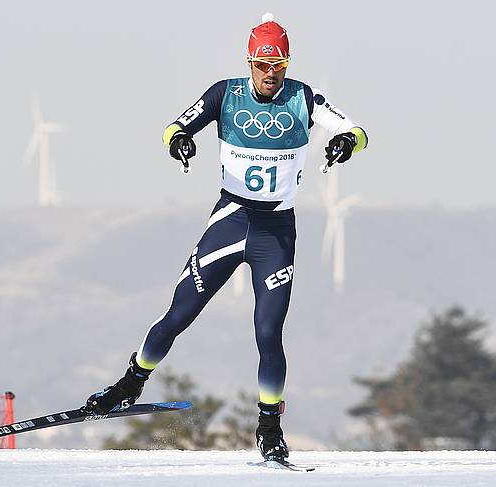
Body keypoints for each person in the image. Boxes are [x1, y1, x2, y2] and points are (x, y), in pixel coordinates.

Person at [85, 13, 368, 462]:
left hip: (275, 231)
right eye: (262, 65)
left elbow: (357, 130)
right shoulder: (226, 93)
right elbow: (173, 127)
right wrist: (181, 142)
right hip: (231, 220)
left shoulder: (304, 99)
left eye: (278, 66)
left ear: (288, 65)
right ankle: (129, 384)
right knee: (178, 315)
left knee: (268, 331)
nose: (270, 75)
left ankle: (269, 425)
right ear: (250, 62)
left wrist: (345, 144)